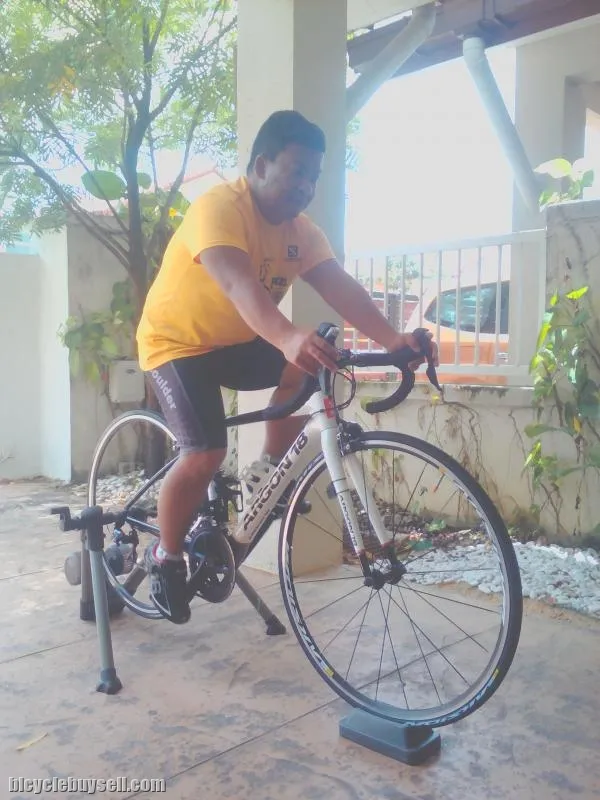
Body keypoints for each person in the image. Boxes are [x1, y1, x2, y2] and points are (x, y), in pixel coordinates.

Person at [136, 109, 435, 624]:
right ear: (261, 165)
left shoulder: (302, 232)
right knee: (205, 452)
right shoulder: (219, 208)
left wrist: (393, 340)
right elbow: (238, 284)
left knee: (308, 363)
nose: (306, 186)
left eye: (313, 176)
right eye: (297, 171)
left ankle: (266, 470)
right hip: (176, 344)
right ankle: (165, 554)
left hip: (233, 342)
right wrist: (287, 336)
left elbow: (341, 287)